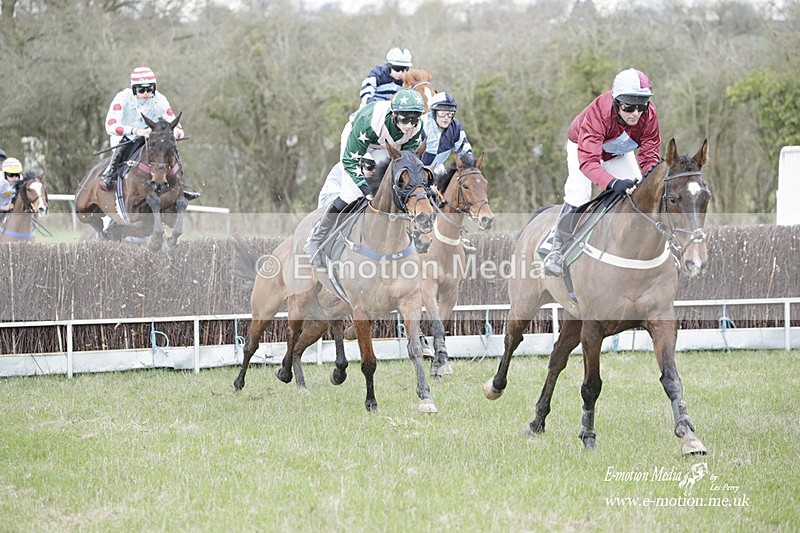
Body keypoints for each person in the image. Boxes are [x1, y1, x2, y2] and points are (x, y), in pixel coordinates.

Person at [543, 67, 661, 276]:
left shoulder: (648, 114)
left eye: (641, 106)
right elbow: (589, 162)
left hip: (619, 152)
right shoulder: (598, 112)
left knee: (641, 192)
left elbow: (650, 151)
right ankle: (556, 248)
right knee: (579, 194)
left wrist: (650, 175)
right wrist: (613, 183)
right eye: (629, 106)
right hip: (583, 147)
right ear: (616, 103)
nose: (635, 113)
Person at [305, 88, 425, 266]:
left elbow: (406, 163)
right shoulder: (369, 121)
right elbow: (349, 161)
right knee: (351, 194)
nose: (409, 125)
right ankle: (316, 238)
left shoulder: (416, 128)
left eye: (413, 119)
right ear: (394, 114)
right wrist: (365, 189)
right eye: (404, 119)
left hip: (384, 147)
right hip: (359, 142)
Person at [100, 66, 198, 199]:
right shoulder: (122, 98)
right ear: (134, 89)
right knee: (124, 144)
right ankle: (109, 173)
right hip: (127, 137)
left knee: (168, 146)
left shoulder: (160, 100)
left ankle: (181, 184)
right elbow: (110, 125)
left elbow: (178, 129)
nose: (146, 93)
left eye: (149, 89)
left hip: (151, 138)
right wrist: (137, 131)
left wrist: (169, 135)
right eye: (141, 90)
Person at [419, 91, 478, 254]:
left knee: (453, 193)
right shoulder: (422, 124)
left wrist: (471, 169)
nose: (447, 118)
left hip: (436, 167)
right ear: (434, 112)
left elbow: (465, 150)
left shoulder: (455, 127)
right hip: (417, 167)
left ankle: (457, 235)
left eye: (450, 114)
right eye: (443, 114)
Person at [317, 151, 381, 209]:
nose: (374, 171)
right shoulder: (351, 168)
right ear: (360, 163)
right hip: (332, 197)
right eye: (370, 167)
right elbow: (353, 195)